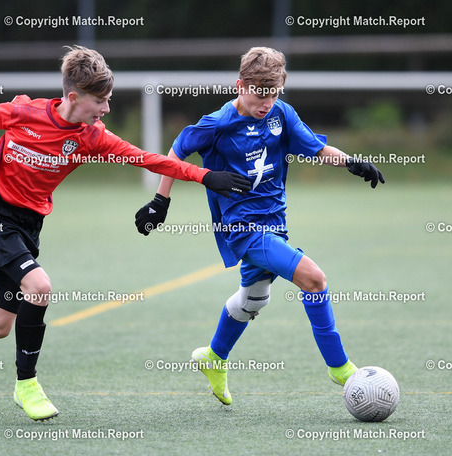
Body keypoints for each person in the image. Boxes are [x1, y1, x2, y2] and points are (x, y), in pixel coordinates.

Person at [0, 45, 250, 421]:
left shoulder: (92, 138)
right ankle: (26, 384)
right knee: (39, 287)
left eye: (109, 99)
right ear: (74, 98)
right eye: (100, 101)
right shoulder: (27, 111)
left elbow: (148, 159)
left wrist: (205, 176)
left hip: (28, 226)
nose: (106, 108)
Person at [134, 47, 384, 405]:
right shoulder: (218, 123)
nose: (266, 103)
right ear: (240, 86)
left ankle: (214, 357)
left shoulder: (282, 114)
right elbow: (176, 152)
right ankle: (340, 367)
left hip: (275, 222)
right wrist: (161, 201)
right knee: (314, 278)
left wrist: (352, 163)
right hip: (242, 228)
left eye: (273, 94)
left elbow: (315, 149)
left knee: (253, 300)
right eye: (258, 95)